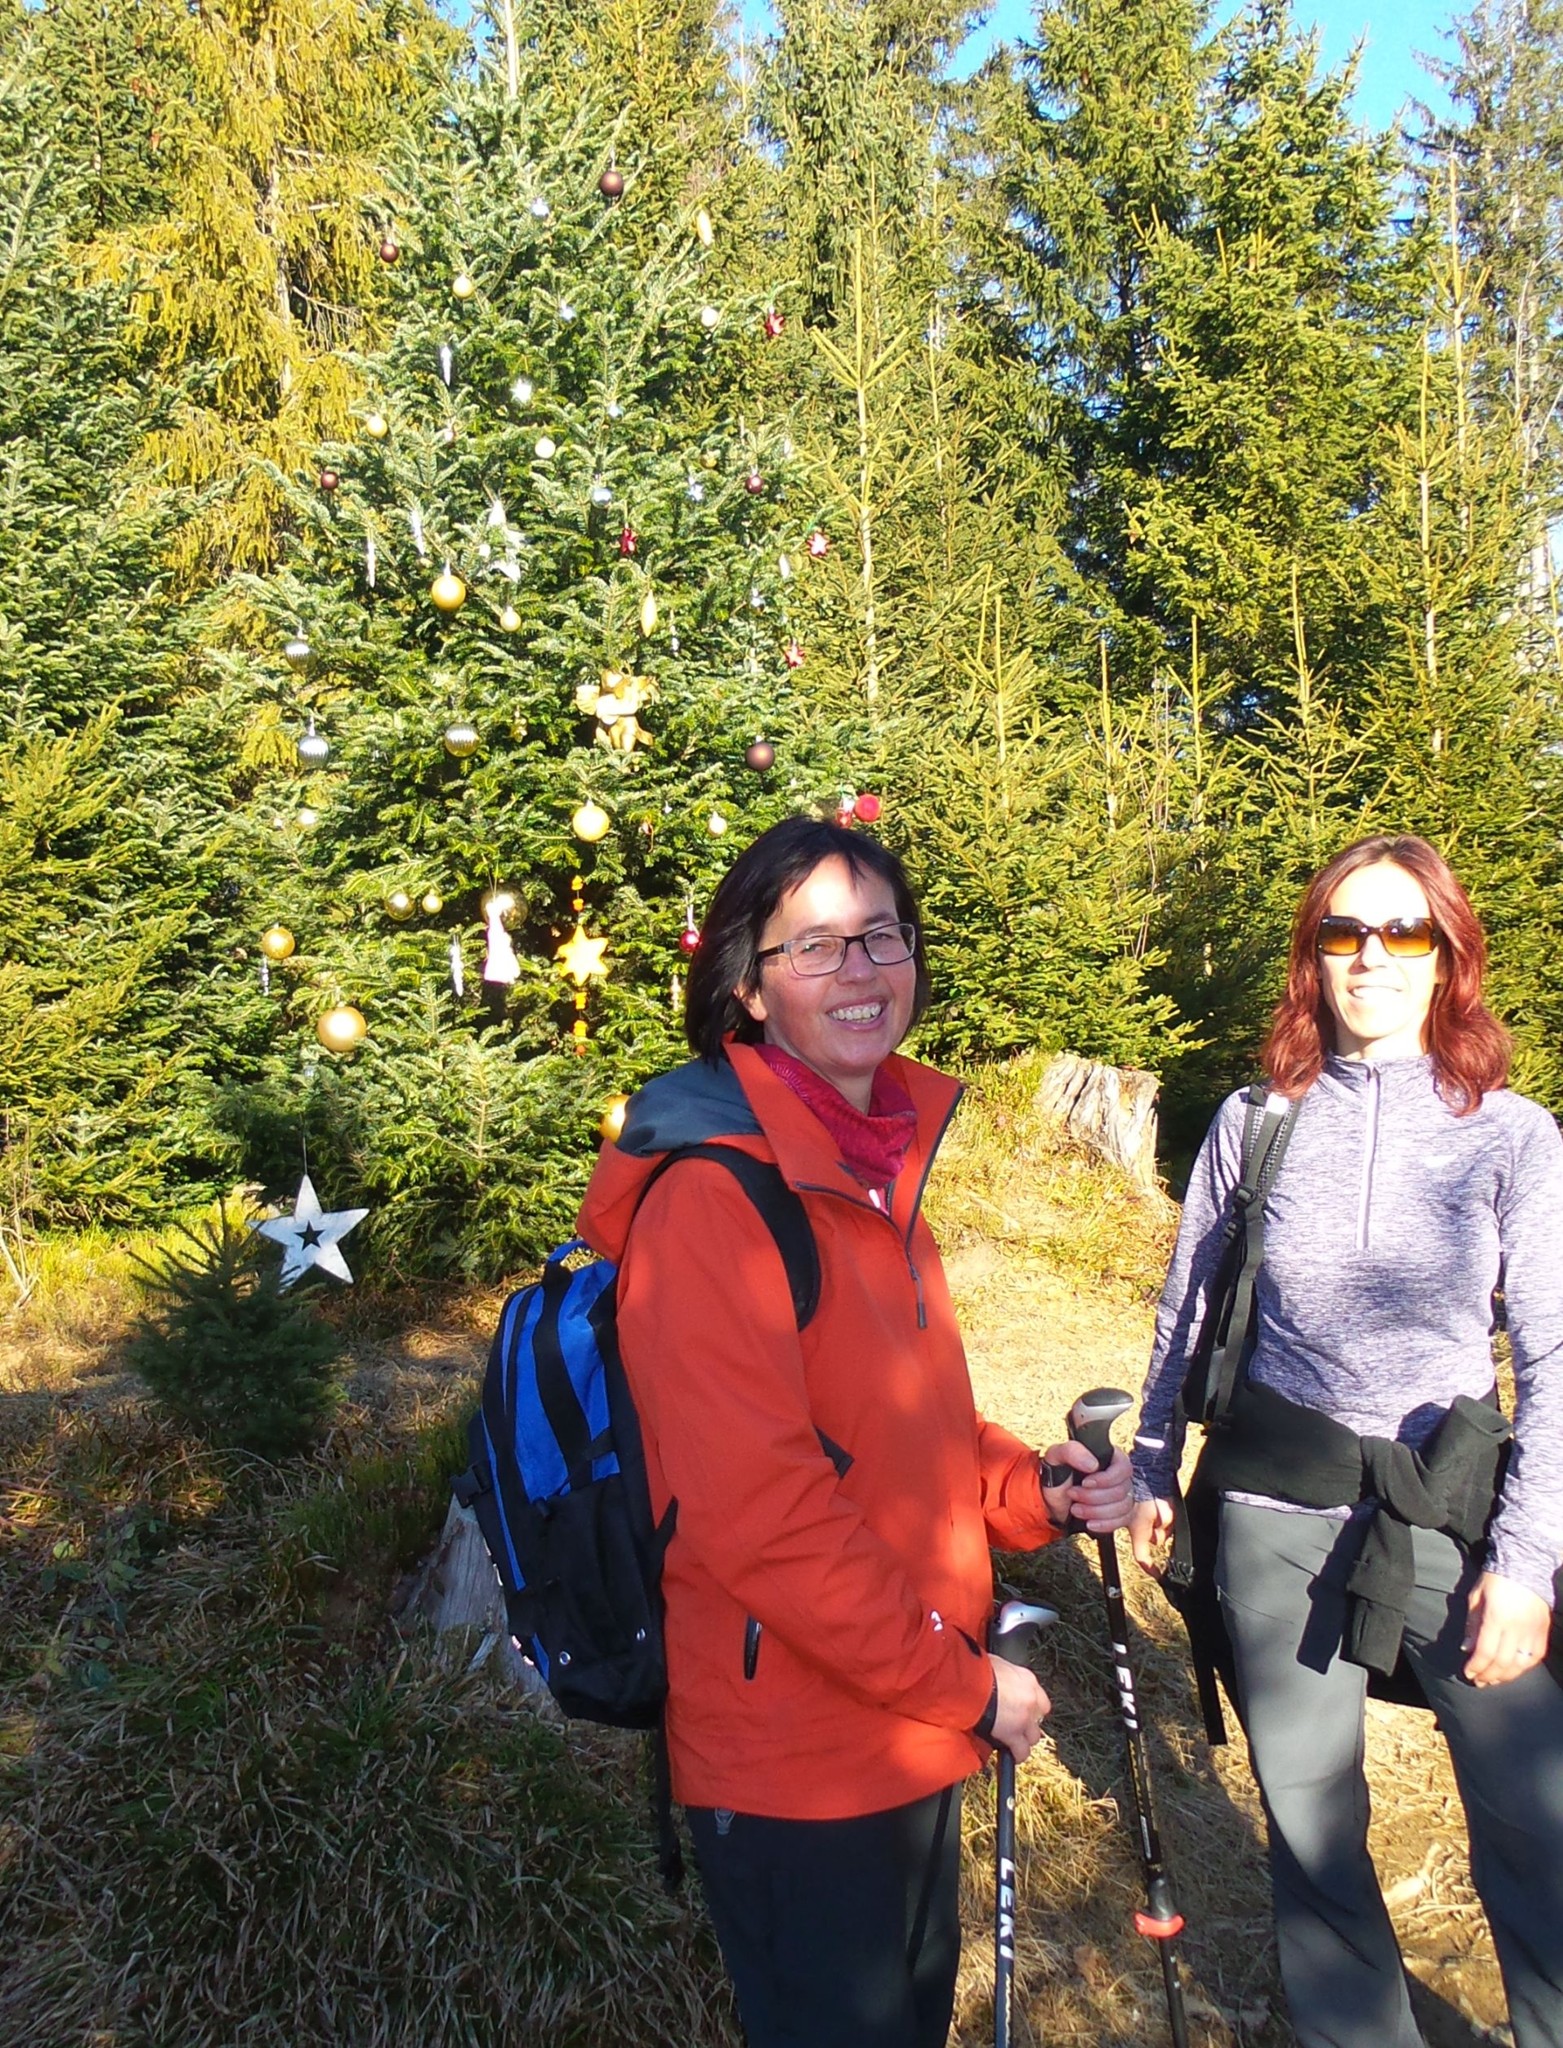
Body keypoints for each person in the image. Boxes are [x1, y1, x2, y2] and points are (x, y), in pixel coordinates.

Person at [578, 816, 1133, 2048]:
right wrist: (970, 1686)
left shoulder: (868, 1168)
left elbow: (906, 1433)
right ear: (746, 983)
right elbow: (762, 1521)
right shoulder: (715, 1200)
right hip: (796, 1763)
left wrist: (1035, 1487)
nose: (860, 968)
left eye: (881, 934)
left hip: (903, 1724)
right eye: (815, 944)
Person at [1128, 834, 1563, 2048]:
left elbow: (1557, 1358)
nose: (1370, 955)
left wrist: (1526, 1566)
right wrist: (1154, 1460)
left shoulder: (1512, 1137)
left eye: (1402, 932)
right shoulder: (1256, 1121)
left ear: (1446, 957)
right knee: (1315, 1828)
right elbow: (1187, 1310)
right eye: (1344, 931)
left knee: (1538, 1821)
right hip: (1275, 1516)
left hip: (1448, 1520)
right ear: (1313, 954)